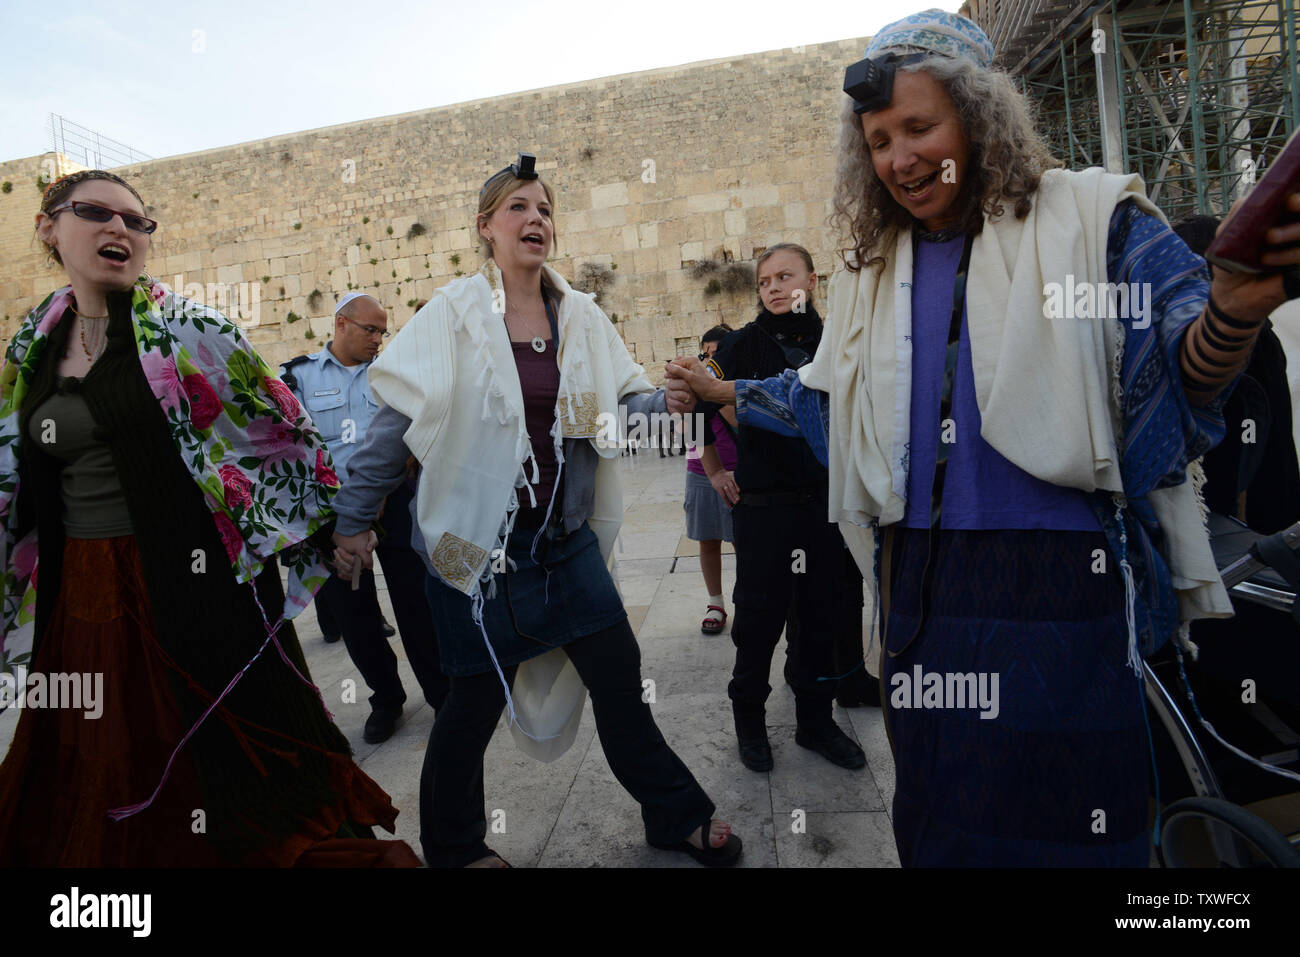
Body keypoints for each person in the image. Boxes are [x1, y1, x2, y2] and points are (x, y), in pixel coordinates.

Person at [665, 8, 1300, 866]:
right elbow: (825, 399)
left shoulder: (1092, 223)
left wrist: (1231, 311)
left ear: (981, 114)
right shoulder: (869, 271)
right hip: (926, 595)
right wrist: (725, 389)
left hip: (1063, 598)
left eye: (921, 126)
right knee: (941, 828)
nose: (900, 157)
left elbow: (1178, 367)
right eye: (880, 139)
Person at [331, 153, 742, 868]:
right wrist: (353, 519)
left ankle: (673, 814)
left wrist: (670, 401)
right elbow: (393, 426)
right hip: (470, 551)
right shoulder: (451, 316)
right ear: (486, 227)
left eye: (545, 208)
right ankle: (455, 848)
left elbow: (623, 416)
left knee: (620, 679)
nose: (535, 219)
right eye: (518, 207)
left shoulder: (581, 317)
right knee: (470, 705)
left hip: (561, 542)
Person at [0, 169, 418, 866]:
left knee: (227, 758)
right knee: (96, 764)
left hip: (193, 585)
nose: (120, 229)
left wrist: (338, 525)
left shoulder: (193, 332)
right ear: (48, 227)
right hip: (81, 601)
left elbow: (280, 433)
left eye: (137, 221)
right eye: (96, 213)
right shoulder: (31, 348)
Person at [696, 245, 868, 773]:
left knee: (820, 622)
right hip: (765, 512)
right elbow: (696, 400)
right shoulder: (740, 345)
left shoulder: (835, 340)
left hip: (824, 508)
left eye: (784, 276)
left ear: (811, 280)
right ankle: (749, 721)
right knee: (758, 622)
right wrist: (716, 471)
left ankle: (814, 722)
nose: (772, 287)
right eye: (765, 280)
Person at [281, 293, 448, 743]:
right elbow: (290, 449)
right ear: (341, 323)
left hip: (394, 506)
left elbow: (417, 436)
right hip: (332, 516)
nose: (378, 339)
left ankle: (442, 695)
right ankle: (386, 699)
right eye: (370, 329)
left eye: (383, 331)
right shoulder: (297, 378)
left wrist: (383, 488)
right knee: (355, 615)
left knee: (417, 605)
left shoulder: (394, 378)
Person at [1170, 215, 1300, 533]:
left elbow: (1246, 437)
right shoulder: (1257, 329)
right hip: (1272, 511)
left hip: (1240, 521)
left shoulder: (1231, 340)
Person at [683, 324, 737, 634]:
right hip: (699, 469)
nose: (710, 360)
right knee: (708, 541)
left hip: (736, 468)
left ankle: (746, 599)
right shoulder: (694, 384)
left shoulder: (737, 385)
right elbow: (690, 426)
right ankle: (715, 602)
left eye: (717, 354)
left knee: (743, 541)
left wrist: (715, 390)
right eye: (706, 354)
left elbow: (740, 423)